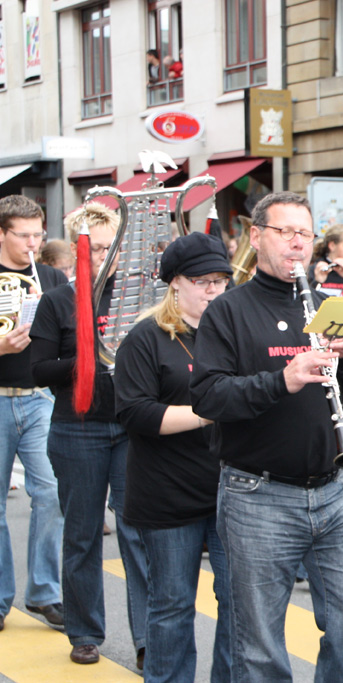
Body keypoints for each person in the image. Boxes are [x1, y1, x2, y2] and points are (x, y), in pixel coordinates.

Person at [190, 191, 343, 682]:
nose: (299, 243)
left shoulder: (329, 305)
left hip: (335, 490)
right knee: (259, 647)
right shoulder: (227, 311)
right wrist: (283, 379)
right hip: (258, 495)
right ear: (256, 237)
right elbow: (208, 398)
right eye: (286, 232)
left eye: (306, 233)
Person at [30, 202, 150, 667]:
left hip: (130, 427)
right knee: (81, 535)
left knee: (137, 533)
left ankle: (146, 637)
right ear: (79, 249)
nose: (104, 256)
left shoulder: (136, 298)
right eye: (94, 248)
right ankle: (84, 632)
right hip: (77, 429)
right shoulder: (59, 300)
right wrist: (88, 358)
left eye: (110, 247)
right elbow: (40, 368)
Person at [114, 232, 233, 683]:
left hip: (230, 489)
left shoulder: (231, 331)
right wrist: (210, 411)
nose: (212, 290)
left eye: (220, 281)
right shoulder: (146, 338)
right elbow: (135, 413)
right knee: (172, 605)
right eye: (202, 281)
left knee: (238, 604)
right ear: (174, 283)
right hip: (165, 493)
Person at [0, 196, 66, 635]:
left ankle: (45, 592)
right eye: (24, 235)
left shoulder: (51, 276)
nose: (34, 243)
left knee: (52, 494)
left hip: (41, 397)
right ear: (2, 233)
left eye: (39, 234)